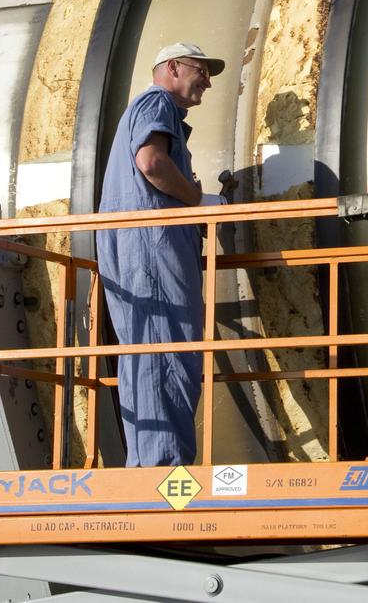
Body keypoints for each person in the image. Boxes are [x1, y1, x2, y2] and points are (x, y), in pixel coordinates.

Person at [96, 42, 228, 467]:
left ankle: (148, 477)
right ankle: (166, 486)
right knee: (167, 352)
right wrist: (198, 199)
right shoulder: (157, 102)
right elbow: (152, 163)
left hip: (141, 245)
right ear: (171, 67)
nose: (207, 81)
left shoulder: (150, 110)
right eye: (201, 70)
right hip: (151, 247)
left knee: (149, 356)